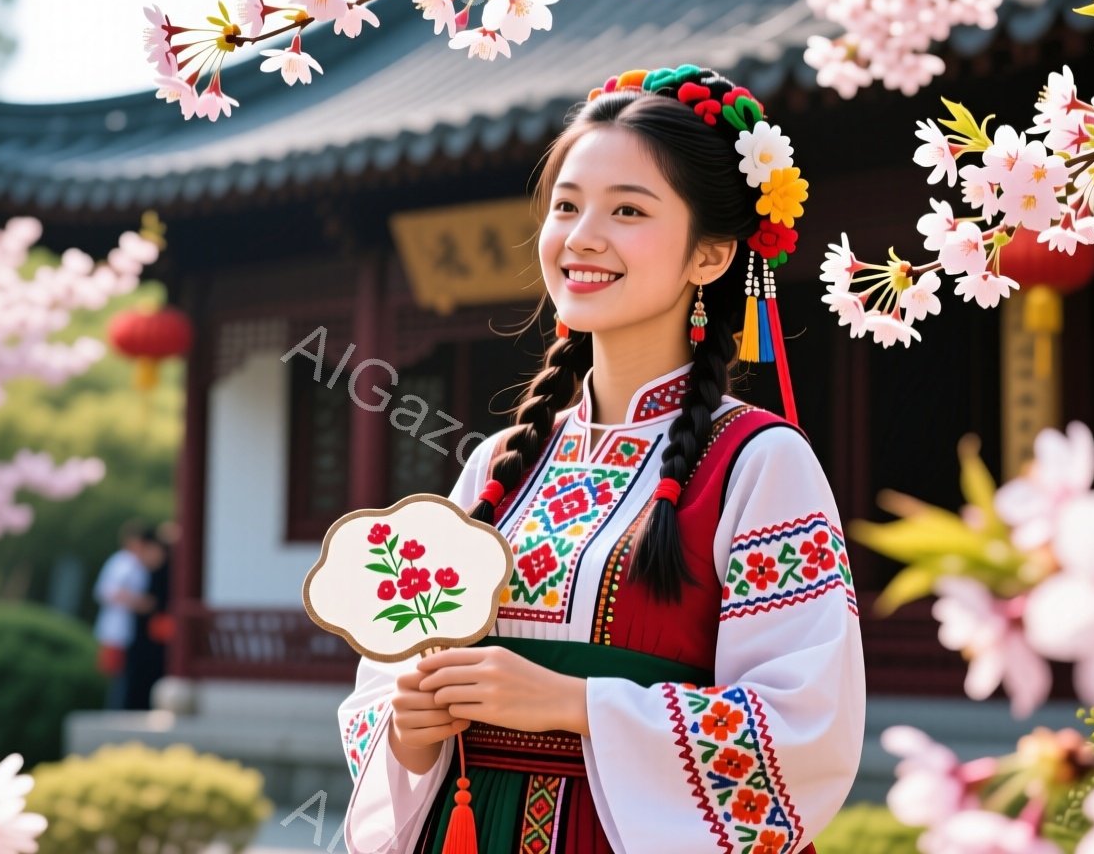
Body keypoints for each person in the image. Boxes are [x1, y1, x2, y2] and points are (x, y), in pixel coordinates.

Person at [336, 65, 865, 854]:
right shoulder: (496, 465)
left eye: (627, 210)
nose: (582, 237)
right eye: (567, 205)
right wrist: (409, 728)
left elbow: (804, 724)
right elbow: (389, 678)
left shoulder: (758, 463)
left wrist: (576, 702)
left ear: (711, 256)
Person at [94, 520, 153, 710]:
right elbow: (106, 591)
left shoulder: (142, 563)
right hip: (117, 630)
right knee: (117, 677)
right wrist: (137, 602)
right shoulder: (121, 562)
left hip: (134, 631)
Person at [120, 523, 172, 711]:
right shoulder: (141, 571)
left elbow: (156, 603)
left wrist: (130, 600)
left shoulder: (169, 570)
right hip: (142, 639)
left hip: (158, 641)